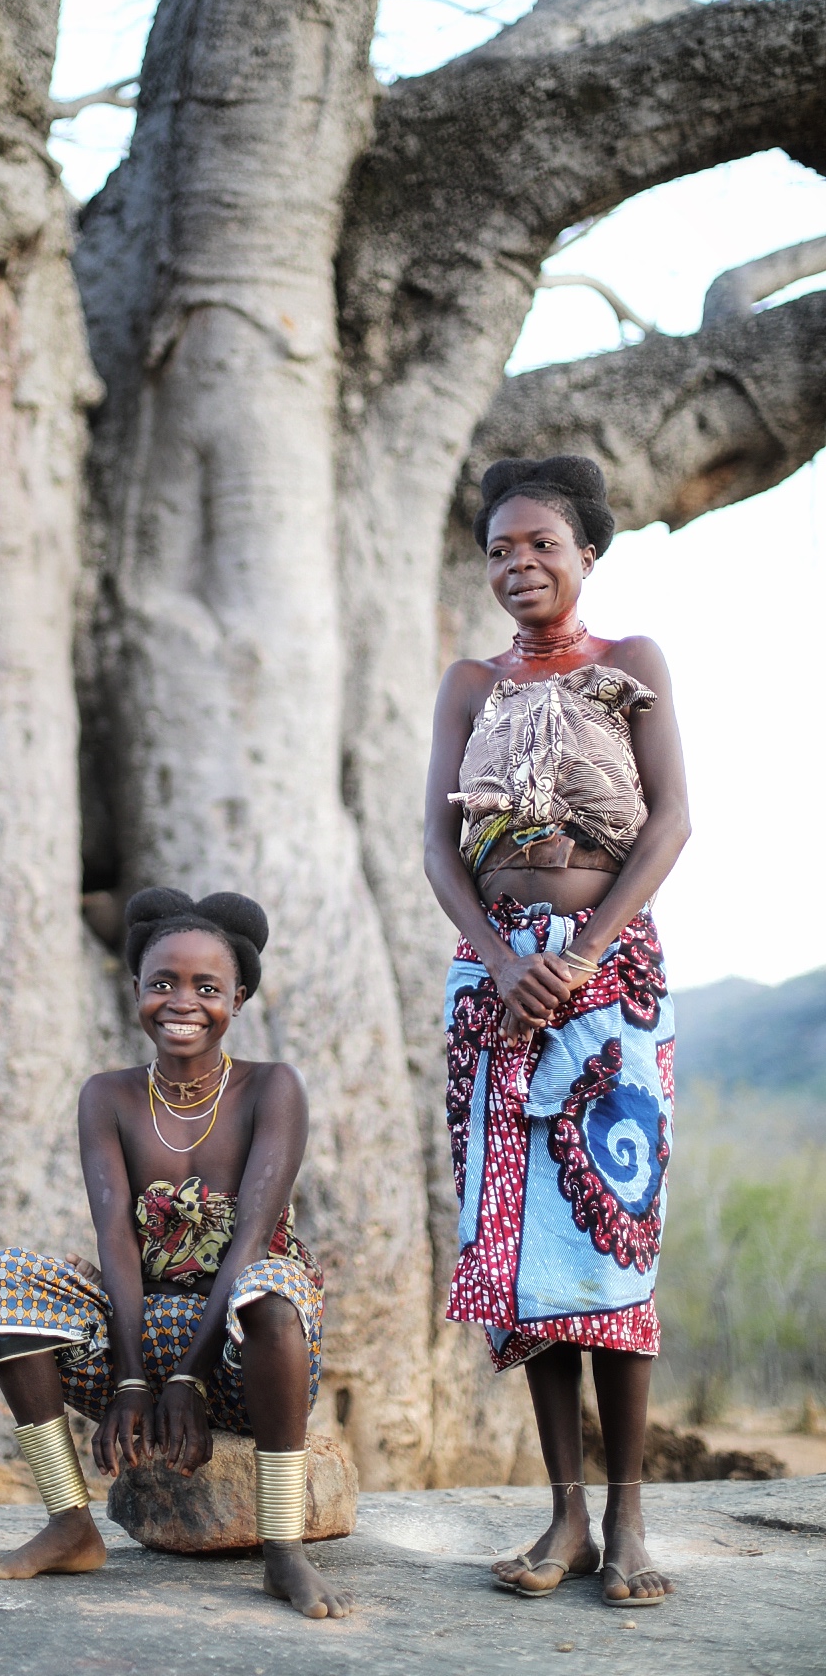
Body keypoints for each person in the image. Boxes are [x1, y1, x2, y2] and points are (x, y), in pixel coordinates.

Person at [424, 456, 690, 1609]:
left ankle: (629, 1518)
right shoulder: (466, 684)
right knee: (530, 1257)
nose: (516, 564)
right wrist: (500, 959)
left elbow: (671, 820)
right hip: (494, 988)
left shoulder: (629, 666)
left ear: (587, 554)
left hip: (610, 975)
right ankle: (564, 1517)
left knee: (612, 1241)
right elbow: (438, 846)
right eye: (497, 549)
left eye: (538, 543)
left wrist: (580, 954)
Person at [0, 888, 350, 1620]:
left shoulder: (273, 1087)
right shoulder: (107, 1096)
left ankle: (282, 1551)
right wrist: (137, 1379)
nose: (183, 1001)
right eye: (163, 983)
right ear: (137, 989)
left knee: (270, 1291)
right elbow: (114, 1238)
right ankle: (70, 1524)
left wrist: (191, 1380)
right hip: (140, 1339)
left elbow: (249, 1240)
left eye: (208, 987)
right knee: (3, 1279)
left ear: (238, 999)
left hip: (248, 1350)